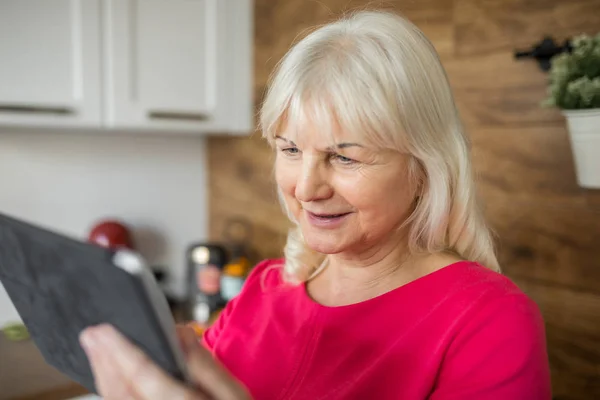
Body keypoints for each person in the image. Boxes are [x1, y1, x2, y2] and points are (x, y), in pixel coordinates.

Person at [79, 10, 552, 400]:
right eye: (289, 150)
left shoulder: (488, 321)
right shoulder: (260, 292)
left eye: (344, 156)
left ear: (425, 165)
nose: (306, 188)